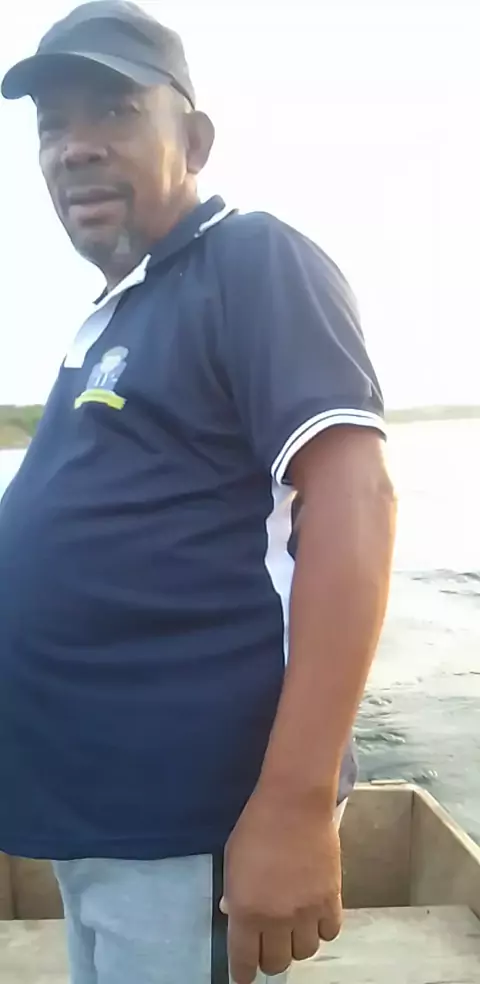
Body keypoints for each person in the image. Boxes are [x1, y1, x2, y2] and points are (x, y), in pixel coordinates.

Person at [0, 3, 396, 983]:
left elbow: (355, 503)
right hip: (97, 820)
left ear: (196, 140)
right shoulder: (116, 313)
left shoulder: (252, 261)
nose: (76, 147)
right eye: (53, 125)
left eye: (115, 111)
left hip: (188, 824)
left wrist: (294, 803)